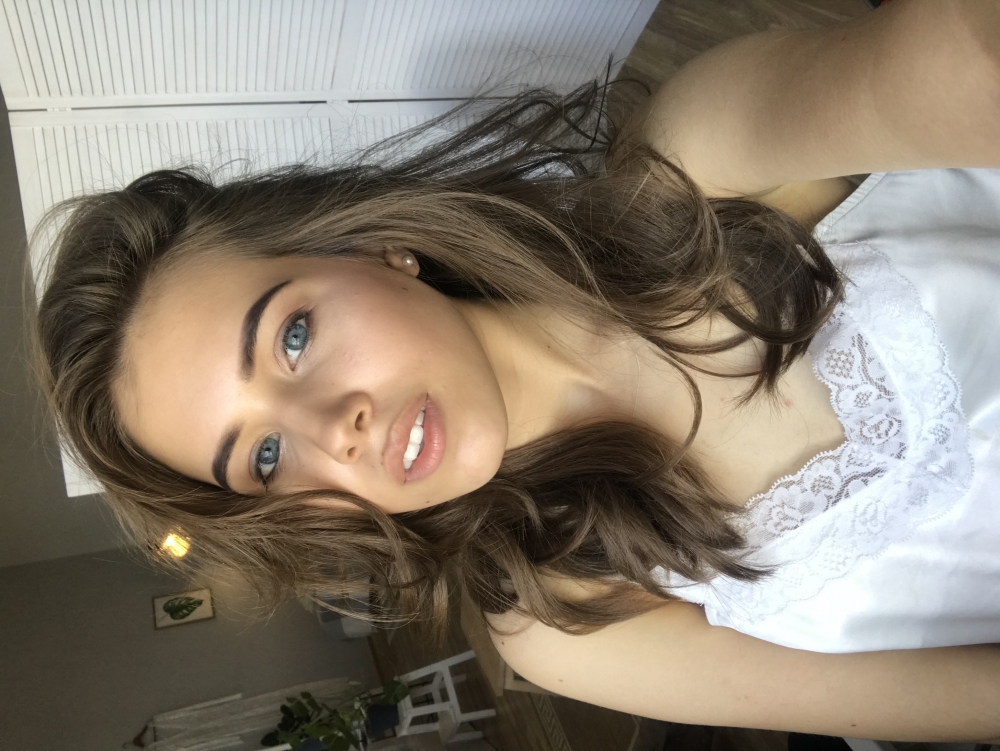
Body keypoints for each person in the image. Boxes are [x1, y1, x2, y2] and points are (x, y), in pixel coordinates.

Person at [30, 0, 1000, 742]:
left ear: (373, 247)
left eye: (291, 337)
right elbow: (972, 696)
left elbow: (965, 56)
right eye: (267, 455)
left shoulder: (697, 165)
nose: (334, 428)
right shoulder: (569, 627)